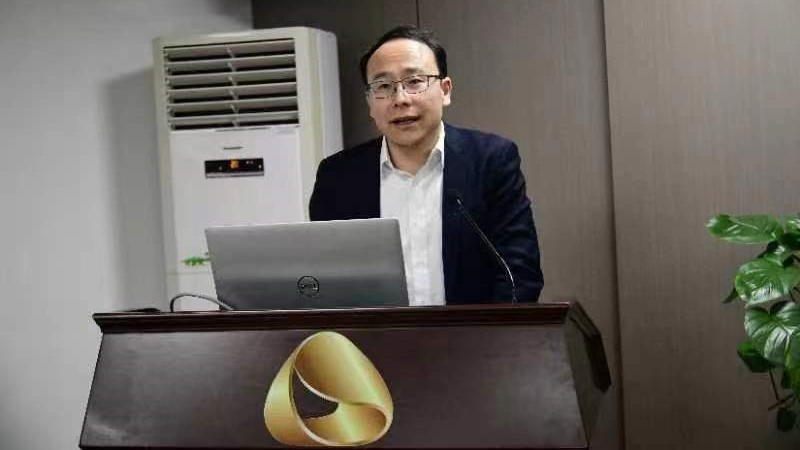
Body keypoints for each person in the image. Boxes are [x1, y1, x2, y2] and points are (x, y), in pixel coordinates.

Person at [309, 25, 543, 305]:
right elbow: (322, 282)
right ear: (370, 103)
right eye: (383, 86)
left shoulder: (491, 161)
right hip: (373, 334)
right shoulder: (338, 177)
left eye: (415, 81)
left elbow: (520, 274)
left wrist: (484, 332)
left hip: (474, 332)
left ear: (445, 90)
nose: (400, 99)